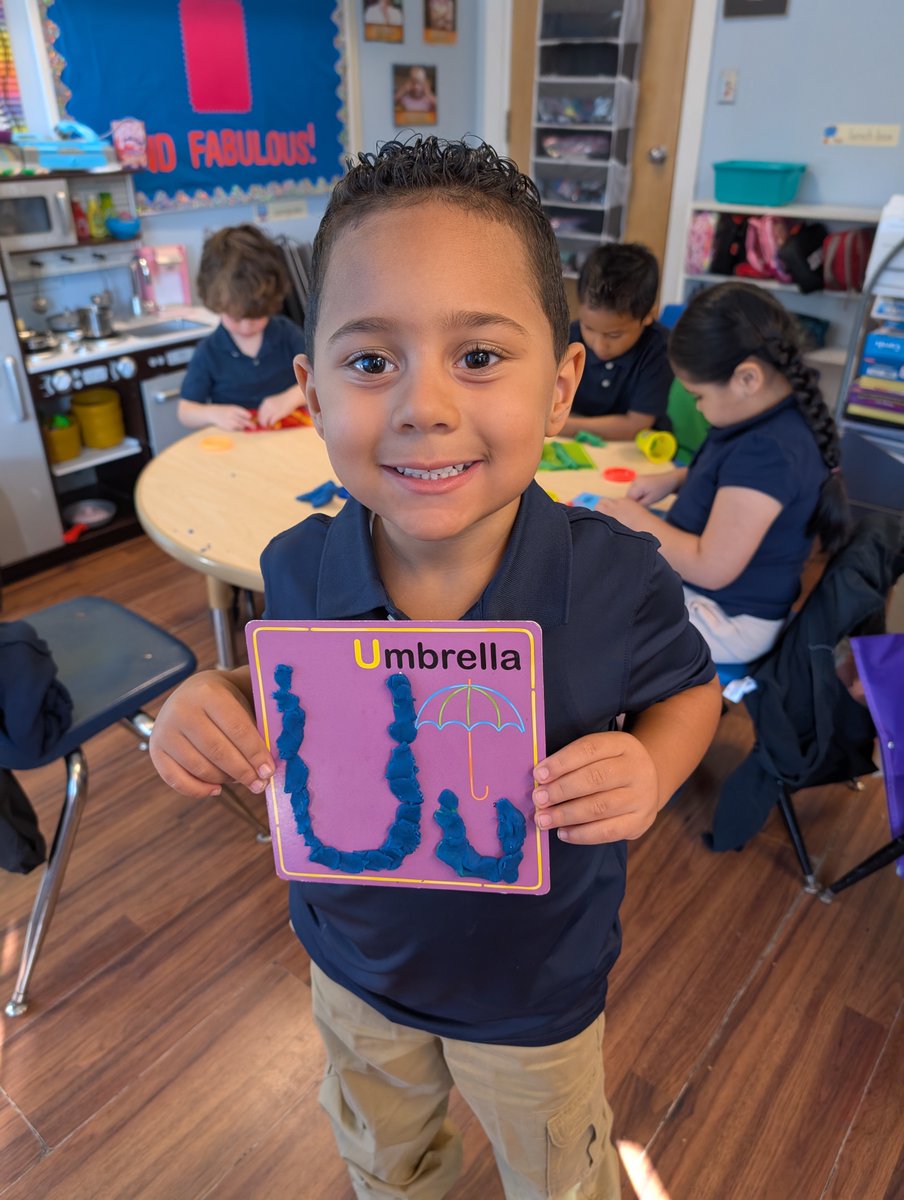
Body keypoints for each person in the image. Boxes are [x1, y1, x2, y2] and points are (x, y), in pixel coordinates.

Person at [149, 137, 721, 1200]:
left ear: (558, 391)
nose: (424, 406)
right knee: (386, 1159)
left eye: (477, 356)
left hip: (533, 995)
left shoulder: (614, 578)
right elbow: (282, 685)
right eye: (371, 362)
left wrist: (651, 769)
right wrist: (209, 699)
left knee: (557, 1176)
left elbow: (688, 692)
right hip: (353, 965)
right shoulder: (299, 561)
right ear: (310, 391)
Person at [596, 281, 852, 666]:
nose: (697, 409)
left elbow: (711, 567)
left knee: (589, 623)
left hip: (727, 620)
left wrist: (639, 522)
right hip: (708, 596)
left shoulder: (770, 452)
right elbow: (729, 474)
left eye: (698, 396)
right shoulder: (764, 411)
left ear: (747, 379)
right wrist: (674, 480)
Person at [177, 224, 306, 432]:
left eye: (257, 317)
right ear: (218, 306)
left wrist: (291, 397)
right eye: (236, 318)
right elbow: (185, 411)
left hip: (288, 437)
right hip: (236, 445)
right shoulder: (208, 352)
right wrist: (213, 413)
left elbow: (321, 379)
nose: (246, 327)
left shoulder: (287, 334)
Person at [560, 242, 673, 442]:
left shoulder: (659, 349)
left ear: (648, 316)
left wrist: (564, 425)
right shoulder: (566, 338)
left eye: (614, 335)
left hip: (634, 453)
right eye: (589, 328)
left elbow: (636, 425)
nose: (599, 345)